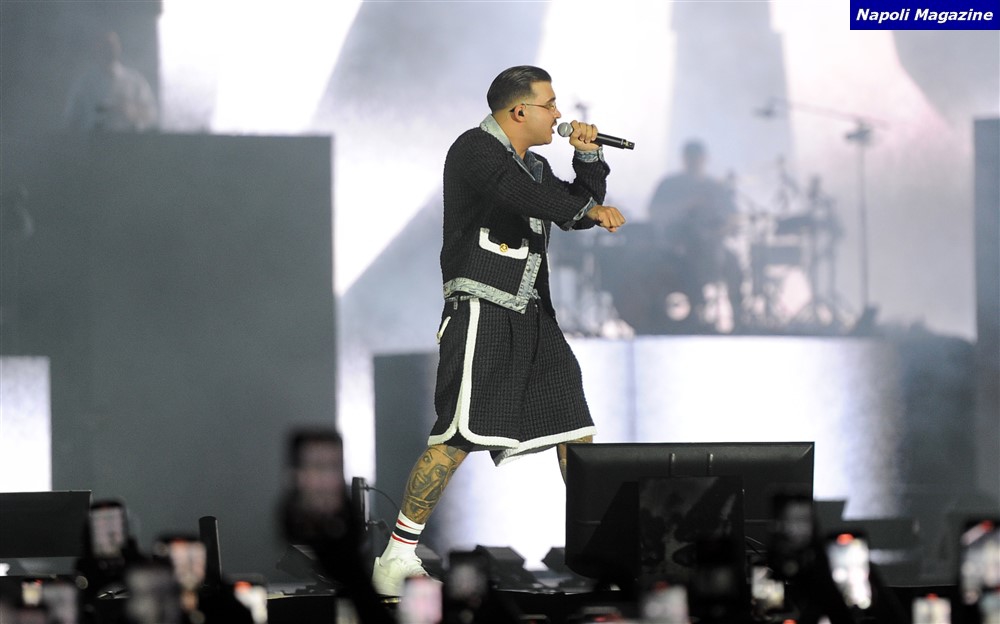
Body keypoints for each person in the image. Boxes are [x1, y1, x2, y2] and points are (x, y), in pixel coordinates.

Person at [371, 65, 626, 596]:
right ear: (519, 110)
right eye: (549, 105)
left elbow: (573, 215)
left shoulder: (533, 165)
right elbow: (529, 200)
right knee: (456, 435)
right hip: (483, 308)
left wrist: (587, 159)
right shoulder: (475, 150)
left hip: (534, 313)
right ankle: (396, 556)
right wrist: (590, 206)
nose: (558, 114)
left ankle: (606, 551)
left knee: (574, 430)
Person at [647, 140, 744, 330]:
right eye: (690, 158)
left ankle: (738, 320)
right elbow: (654, 212)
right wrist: (688, 204)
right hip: (676, 248)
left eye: (697, 158)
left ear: (705, 159)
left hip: (713, 246)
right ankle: (694, 316)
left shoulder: (714, 186)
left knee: (733, 265)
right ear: (684, 159)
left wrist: (722, 230)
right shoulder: (669, 184)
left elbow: (733, 217)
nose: (694, 162)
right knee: (689, 271)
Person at [63, 31, 158, 132]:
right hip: (94, 139)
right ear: (96, 48)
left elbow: (152, 114)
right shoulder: (84, 84)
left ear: (119, 47)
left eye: (113, 45)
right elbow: (71, 120)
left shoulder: (135, 81)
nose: (109, 49)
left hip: (128, 139)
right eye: (105, 45)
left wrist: (131, 111)